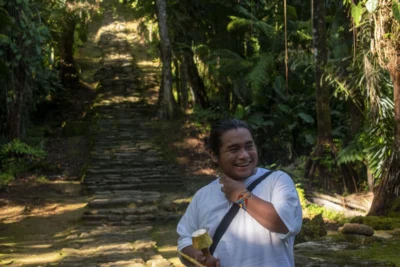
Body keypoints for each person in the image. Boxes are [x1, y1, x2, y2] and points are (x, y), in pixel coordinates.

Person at [177, 118, 302, 267]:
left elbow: (287, 225)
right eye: (234, 149)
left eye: (249, 146)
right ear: (214, 155)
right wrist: (198, 258)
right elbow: (185, 239)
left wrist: (241, 195)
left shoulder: (277, 181)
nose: (244, 155)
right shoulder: (202, 196)